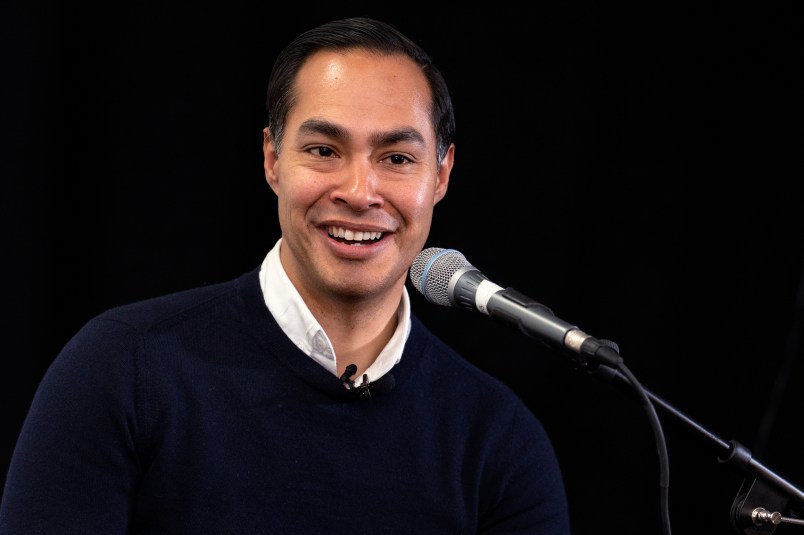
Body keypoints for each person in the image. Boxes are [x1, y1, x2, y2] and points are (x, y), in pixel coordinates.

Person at [0, 17, 570, 534]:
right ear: (272, 159)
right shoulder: (122, 370)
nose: (358, 192)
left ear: (441, 175)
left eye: (396, 159)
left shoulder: (499, 443)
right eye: (324, 150)